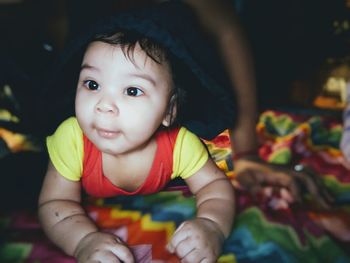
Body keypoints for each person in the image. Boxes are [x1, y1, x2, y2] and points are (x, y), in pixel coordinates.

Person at [38, 2, 235, 262]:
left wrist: (212, 226)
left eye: (132, 91)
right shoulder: (72, 139)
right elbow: (54, 204)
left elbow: (215, 186)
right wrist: (83, 241)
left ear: (169, 111)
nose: (104, 105)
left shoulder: (179, 145)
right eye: (92, 84)